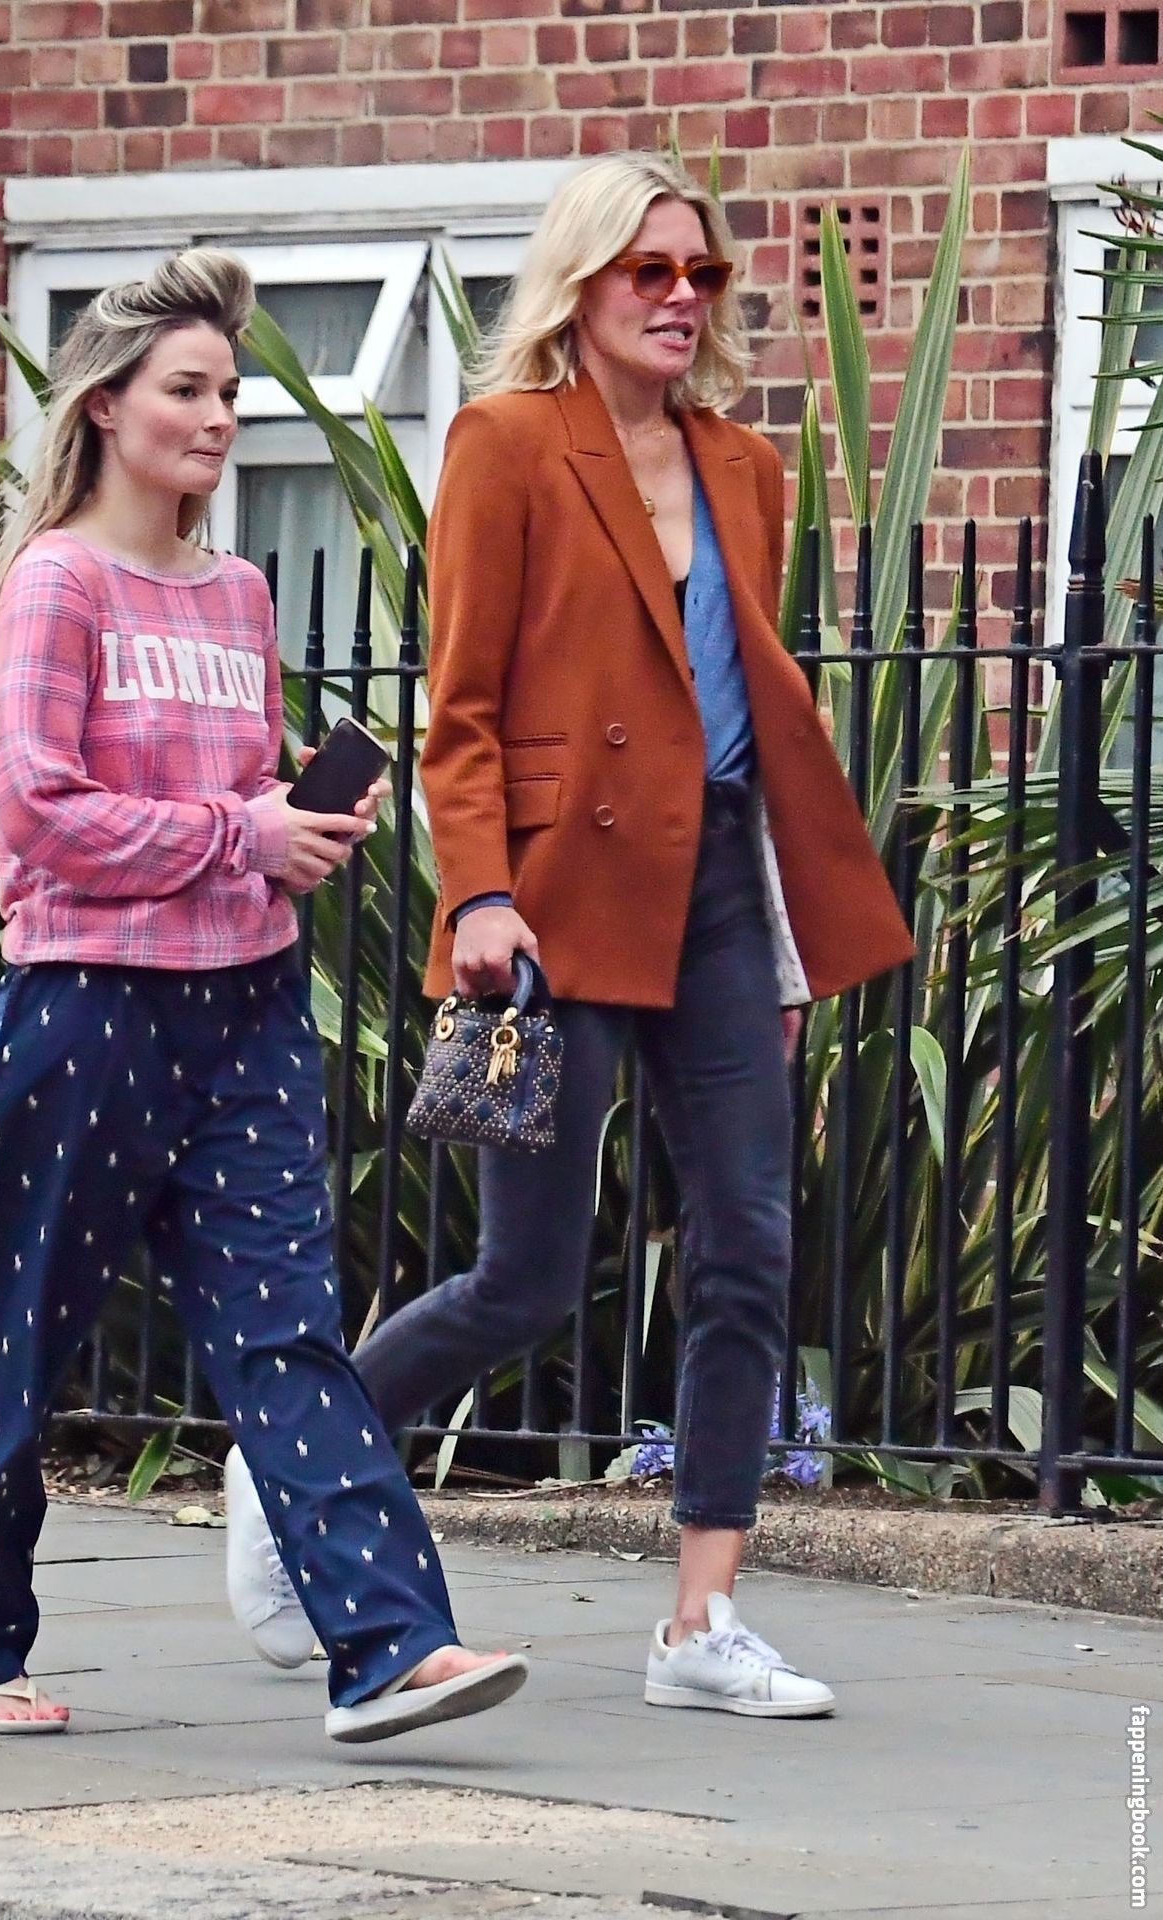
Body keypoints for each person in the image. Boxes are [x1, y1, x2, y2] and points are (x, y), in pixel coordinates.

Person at [226, 154, 914, 1718]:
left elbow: (740, 719)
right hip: (548, 907)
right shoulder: (507, 442)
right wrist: (478, 892)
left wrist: (781, 944)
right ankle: (289, 1467)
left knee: (748, 1245)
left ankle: (702, 1624)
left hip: (720, 896)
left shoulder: (746, 465)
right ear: (582, 282)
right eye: (646, 271)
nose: (680, 298)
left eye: (701, 273)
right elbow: (460, 704)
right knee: (525, 1276)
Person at [0, 249, 528, 1744]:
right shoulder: (59, 583)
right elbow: (38, 814)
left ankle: (390, 1646)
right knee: (14, 1341)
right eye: (186, 390)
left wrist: (299, 816)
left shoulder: (239, 594)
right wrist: (240, 833)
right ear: (106, 408)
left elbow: (243, 791)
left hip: (247, 1006)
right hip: (88, 1013)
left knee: (288, 1333)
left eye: (230, 392)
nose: (219, 416)